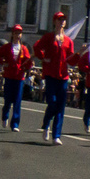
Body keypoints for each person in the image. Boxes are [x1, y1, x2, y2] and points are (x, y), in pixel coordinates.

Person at [32, 9, 75, 144]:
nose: (62, 21)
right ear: (54, 21)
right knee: (52, 103)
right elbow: (36, 47)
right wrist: (43, 58)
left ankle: (56, 135)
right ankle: (46, 124)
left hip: (63, 76)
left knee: (61, 106)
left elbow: (72, 59)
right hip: (50, 75)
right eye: (59, 19)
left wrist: (80, 54)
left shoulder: (68, 41)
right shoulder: (48, 37)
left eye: (63, 20)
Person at [0, 24, 33, 131]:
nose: (17, 35)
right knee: (7, 99)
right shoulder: (7, 47)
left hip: (19, 77)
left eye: (19, 33)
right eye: (16, 33)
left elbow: (28, 61)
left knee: (17, 101)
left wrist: (27, 66)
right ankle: (5, 116)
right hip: (9, 76)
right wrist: (3, 62)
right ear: (12, 34)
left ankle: (15, 124)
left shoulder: (24, 48)